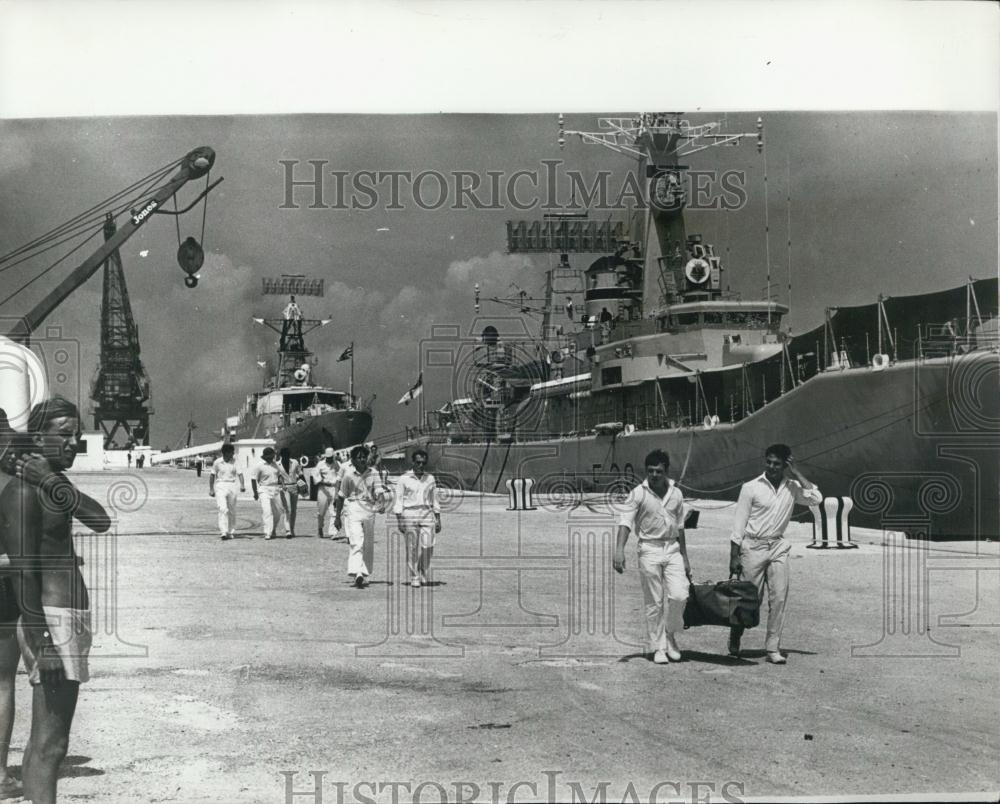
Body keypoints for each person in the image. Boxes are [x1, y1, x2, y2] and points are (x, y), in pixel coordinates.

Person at [0, 396, 111, 804]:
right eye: (63, 435)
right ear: (37, 436)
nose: (73, 443)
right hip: (53, 620)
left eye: (77, 435)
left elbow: (99, 520)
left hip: (65, 619)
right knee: (51, 745)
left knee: (47, 743)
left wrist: (51, 479)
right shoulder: (23, 494)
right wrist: (42, 638)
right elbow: (24, 573)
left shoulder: (50, 485)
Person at [727, 443, 822, 664]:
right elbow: (738, 526)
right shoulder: (751, 487)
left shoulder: (793, 487)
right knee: (750, 599)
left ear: (785, 465)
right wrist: (734, 556)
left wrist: (797, 472)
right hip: (752, 547)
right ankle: (736, 634)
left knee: (779, 598)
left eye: (777, 464)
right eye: (768, 462)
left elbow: (816, 498)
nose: (771, 467)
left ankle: (772, 648)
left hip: (778, 547)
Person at [613, 449, 691, 664]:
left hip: (672, 548)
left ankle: (670, 634)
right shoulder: (638, 493)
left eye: (659, 471)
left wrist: (685, 557)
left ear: (666, 471)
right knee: (654, 602)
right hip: (649, 549)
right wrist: (619, 550)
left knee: (679, 595)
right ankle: (658, 647)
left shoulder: (676, 493)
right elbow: (625, 523)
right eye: (650, 471)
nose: (654, 475)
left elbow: (681, 526)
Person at [334, 445, 384, 588]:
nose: (362, 460)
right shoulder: (348, 475)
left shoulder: (373, 473)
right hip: (354, 507)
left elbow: (379, 490)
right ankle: (357, 573)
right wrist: (337, 517)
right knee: (356, 540)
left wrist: (381, 503)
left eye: (364, 457)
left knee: (367, 543)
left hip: (369, 508)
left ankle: (364, 572)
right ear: (353, 460)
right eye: (359, 457)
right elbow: (341, 496)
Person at [393, 449, 441, 587]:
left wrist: (438, 518)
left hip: (427, 513)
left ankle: (422, 570)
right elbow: (398, 500)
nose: (421, 465)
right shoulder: (404, 479)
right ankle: (414, 576)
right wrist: (399, 520)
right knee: (412, 547)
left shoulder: (430, 478)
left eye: (423, 463)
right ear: (413, 462)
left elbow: (435, 499)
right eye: (418, 462)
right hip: (409, 513)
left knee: (428, 545)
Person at [251, 447, 290, 539]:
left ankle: (273, 529)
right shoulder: (259, 466)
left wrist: (283, 484)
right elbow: (253, 479)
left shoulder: (275, 465)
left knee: (278, 512)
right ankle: (267, 533)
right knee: (267, 511)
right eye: (269, 456)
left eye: (272, 456)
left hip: (275, 488)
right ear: (265, 457)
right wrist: (255, 493)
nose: (271, 458)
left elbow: (279, 476)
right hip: (264, 489)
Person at [209, 443, 246, 540]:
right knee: (222, 508)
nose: (233, 454)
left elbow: (240, 474)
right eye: (231, 452)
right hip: (220, 485)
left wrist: (242, 485)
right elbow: (212, 475)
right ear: (225, 452)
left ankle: (230, 531)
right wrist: (211, 489)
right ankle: (223, 532)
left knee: (232, 510)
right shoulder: (217, 462)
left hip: (232, 485)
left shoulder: (235, 462)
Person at [315, 448, 342, 538]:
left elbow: (341, 475)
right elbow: (316, 478)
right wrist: (325, 482)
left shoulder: (337, 464)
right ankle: (320, 528)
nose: (329, 459)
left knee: (334, 510)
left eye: (331, 457)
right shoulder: (320, 464)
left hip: (334, 489)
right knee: (321, 512)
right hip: (323, 489)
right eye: (328, 457)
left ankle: (333, 532)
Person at [278, 447, 305, 537]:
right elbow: (277, 477)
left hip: (294, 486)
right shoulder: (277, 465)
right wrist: (281, 485)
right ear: (281, 456)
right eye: (285, 456)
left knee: (293, 510)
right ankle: (288, 530)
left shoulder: (295, 462)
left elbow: (300, 474)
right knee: (287, 509)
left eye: (288, 456)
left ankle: (292, 528)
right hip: (284, 487)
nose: (286, 457)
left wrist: (304, 486)